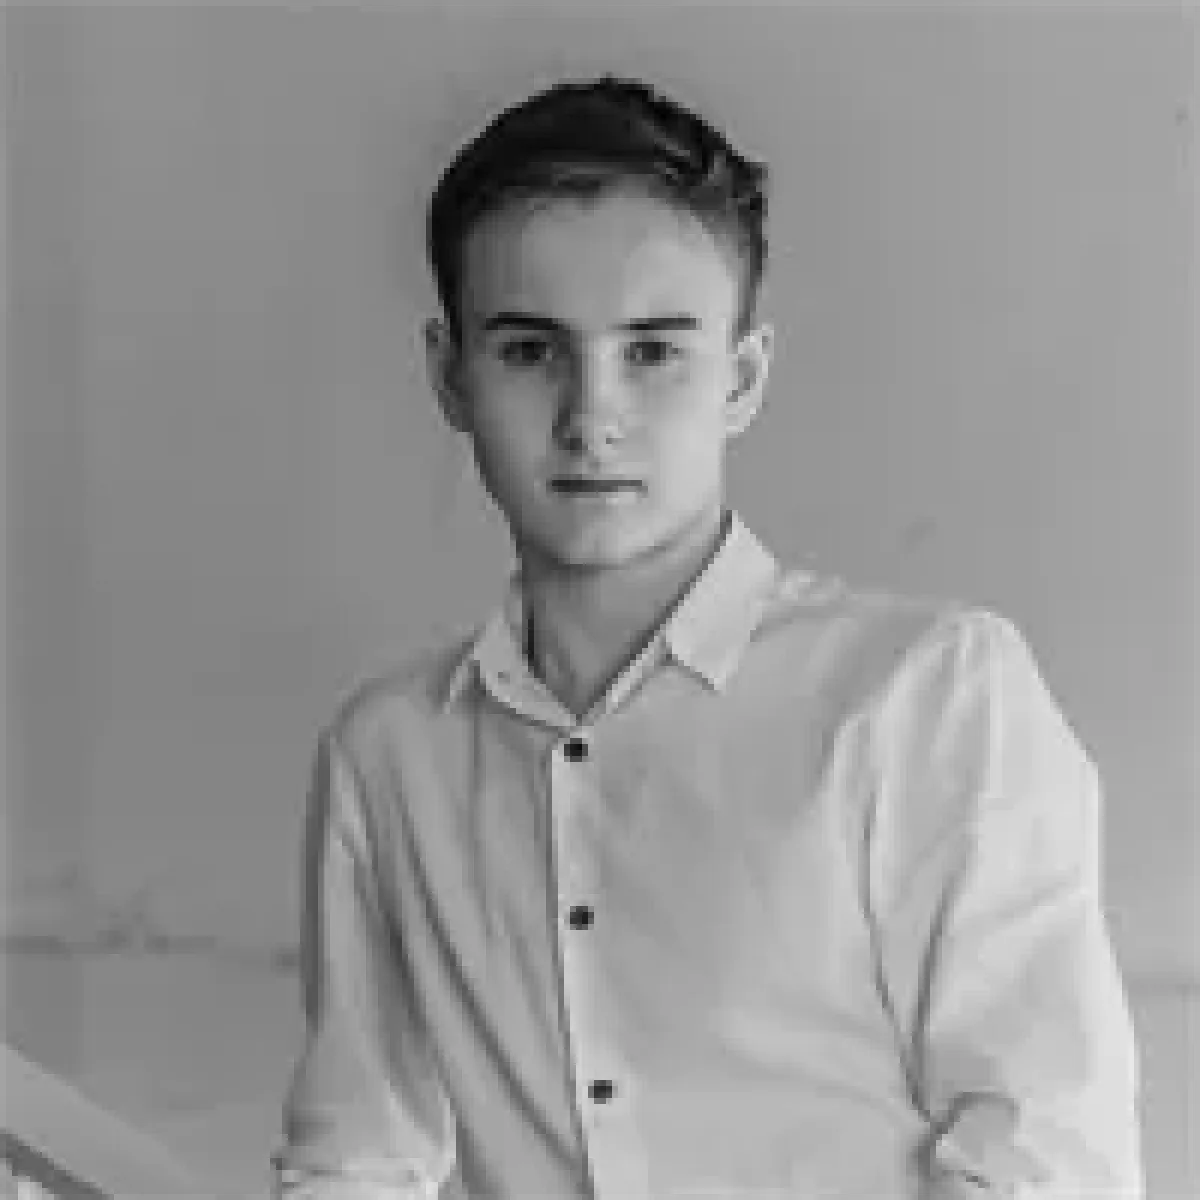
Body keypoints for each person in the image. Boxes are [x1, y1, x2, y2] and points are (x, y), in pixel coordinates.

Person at [271, 76, 1143, 1200]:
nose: (592, 418)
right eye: (531, 351)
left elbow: (1048, 1152)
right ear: (450, 375)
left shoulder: (926, 695)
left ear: (742, 377)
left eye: (652, 352)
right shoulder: (389, 754)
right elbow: (355, 1163)